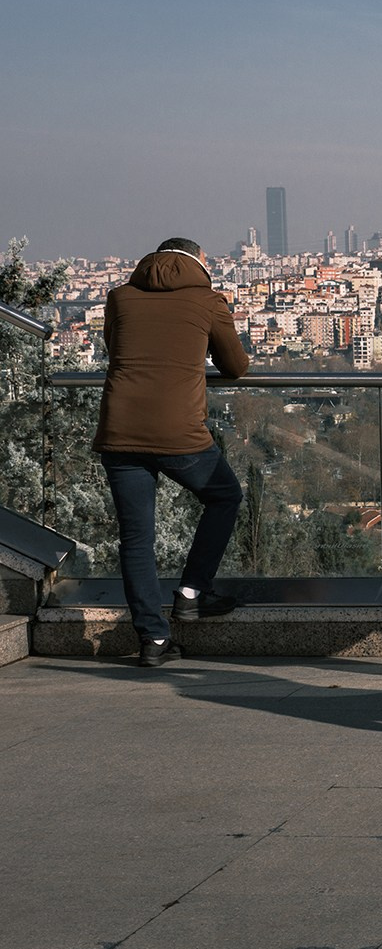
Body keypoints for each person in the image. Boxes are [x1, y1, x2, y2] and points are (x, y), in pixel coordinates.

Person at [93, 237, 251, 665]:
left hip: (120, 430)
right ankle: (192, 592)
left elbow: (118, 350)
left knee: (136, 538)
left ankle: (154, 640)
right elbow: (235, 367)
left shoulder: (119, 298)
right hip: (179, 432)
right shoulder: (207, 300)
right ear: (199, 262)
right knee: (224, 496)